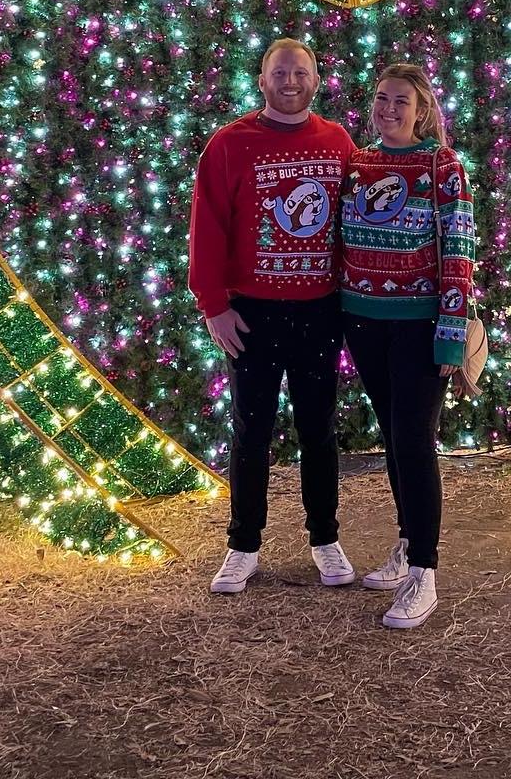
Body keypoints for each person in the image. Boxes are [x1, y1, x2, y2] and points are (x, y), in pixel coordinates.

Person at [189, 37, 358, 595]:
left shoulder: (337, 141)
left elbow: (357, 223)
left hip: (318, 311)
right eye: (280, 73)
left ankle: (325, 538)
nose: (291, 82)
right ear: (262, 80)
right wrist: (214, 306)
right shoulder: (230, 144)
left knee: (318, 430)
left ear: (317, 78)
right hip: (252, 315)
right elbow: (207, 228)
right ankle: (243, 545)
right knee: (251, 431)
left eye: (301, 72)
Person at [340, 63, 476, 629]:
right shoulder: (357, 162)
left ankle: (425, 570)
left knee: (414, 441)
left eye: (401, 100)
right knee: (394, 440)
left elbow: (459, 248)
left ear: (421, 111)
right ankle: (405, 542)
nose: (388, 108)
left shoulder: (442, 165)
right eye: (380, 98)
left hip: (419, 324)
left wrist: (450, 334)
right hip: (363, 318)